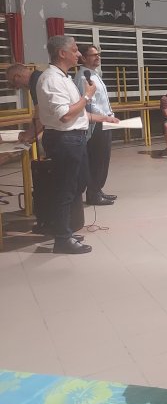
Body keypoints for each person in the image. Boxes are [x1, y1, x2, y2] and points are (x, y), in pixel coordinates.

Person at [36, 36, 99, 254]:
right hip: (65, 139)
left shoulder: (64, 77)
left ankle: (65, 230)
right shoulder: (51, 79)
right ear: (62, 53)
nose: (79, 54)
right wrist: (87, 96)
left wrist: (101, 116)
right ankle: (62, 239)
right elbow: (65, 115)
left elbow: (75, 112)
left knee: (77, 184)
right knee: (65, 189)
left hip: (74, 138)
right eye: (75, 50)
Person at [74, 45, 119, 205]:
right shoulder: (83, 77)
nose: (97, 57)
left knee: (103, 159)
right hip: (96, 124)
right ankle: (93, 194)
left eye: (98, 54)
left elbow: (102, 100)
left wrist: (110, 115)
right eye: (93, 55)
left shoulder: (94, 74)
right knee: (97, 160)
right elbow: (88, 104)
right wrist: (103, 117)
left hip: (105, 121)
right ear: (83, 58)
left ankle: (98, 190)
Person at [6, 63, 44, 143]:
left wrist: (28, 135)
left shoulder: (36, 82)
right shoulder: (39, 77)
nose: (17, 88)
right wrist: (32, 135)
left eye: (13, 85)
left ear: (17, 78)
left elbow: (41, 115)